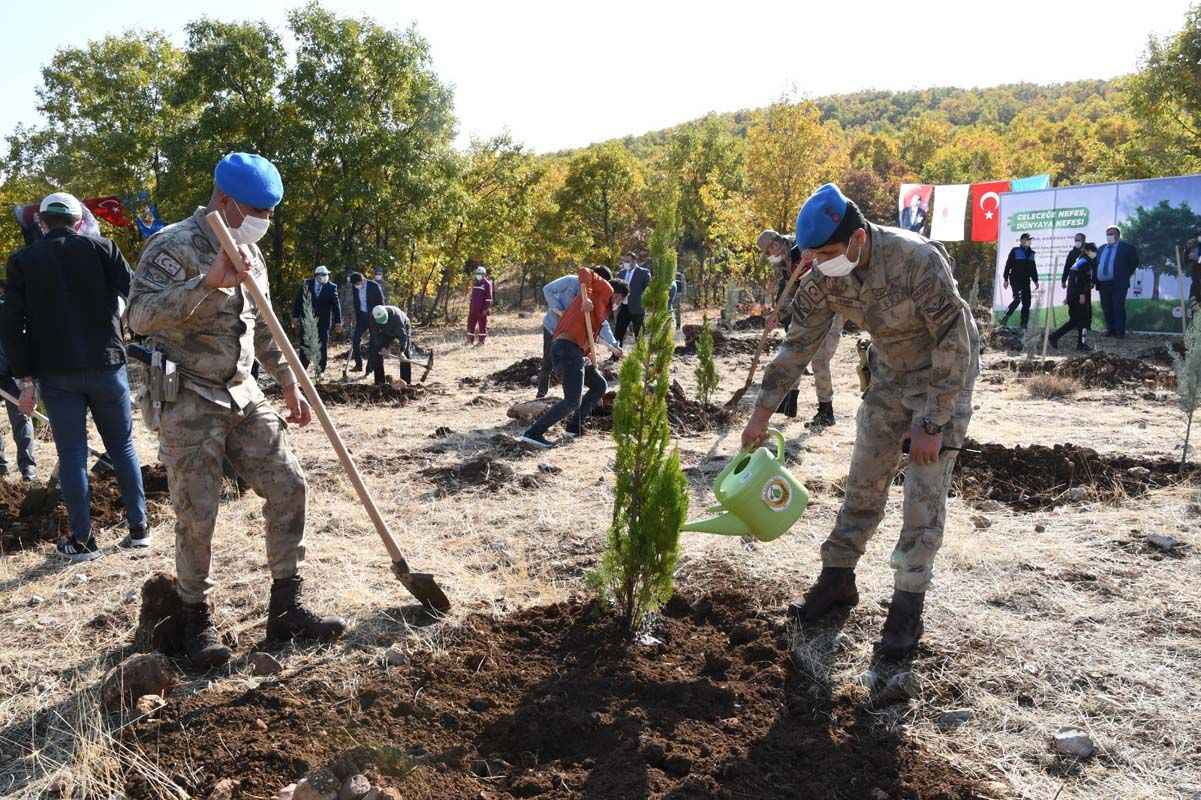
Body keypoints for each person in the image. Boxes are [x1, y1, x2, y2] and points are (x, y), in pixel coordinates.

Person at [742, 183, 978, 661]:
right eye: (813, 255)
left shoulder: (915, 259)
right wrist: (760, 416)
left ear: (857, 239)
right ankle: (836, 583)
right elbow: (796, 346)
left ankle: (906, 612)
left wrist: (932, 424)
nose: (820, 263)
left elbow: (955, 340)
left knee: (922, 498)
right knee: (863, 485)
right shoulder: (826, 274)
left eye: (827, 252)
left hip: (941, 379)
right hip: (888, 378)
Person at [128, 152, 345, 669]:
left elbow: (264, 324)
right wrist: (207, 284)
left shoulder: (252, 251)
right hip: (189, 398)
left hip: (244, 393)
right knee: (197, 510)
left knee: (290, 484)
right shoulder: (173, 246)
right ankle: (192, 618)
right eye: (256, 211)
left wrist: (289, 380)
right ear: (225, 202)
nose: (264, 223)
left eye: (269, 214)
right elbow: (138, 317)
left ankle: (287, 606)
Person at [2, 192, 147, 561]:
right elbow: (135, 296)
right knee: (124, 447)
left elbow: (13, 325)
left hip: (57, 373)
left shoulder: (22, 261)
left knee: (72, 455)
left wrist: (25, 380)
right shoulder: (105, 248)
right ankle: (139, 528)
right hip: (108, 365)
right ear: (78, 220)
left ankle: (83, 541)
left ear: (43, 222)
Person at [521, 269, 629, 448]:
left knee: (599, 385)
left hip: (575, 352)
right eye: (620, 299)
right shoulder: (603, 290)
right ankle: (533, 433)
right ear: (616, 294)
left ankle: (574, 426)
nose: (618, 304)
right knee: (572, 401)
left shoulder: (599, 312)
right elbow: (585, 271)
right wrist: (585, 298)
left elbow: (596, 333)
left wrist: (611, 347)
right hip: (566, 349)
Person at [756, 229, 842, 429]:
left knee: (819, 358)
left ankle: (826, 410)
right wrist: (776, 315)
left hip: (832, 306)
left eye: (771, 249)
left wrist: (812, 261)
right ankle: (790, 401)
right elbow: (788, 291)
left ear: (778, 242)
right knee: (795, 350)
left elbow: (828, 269)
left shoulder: (805, 246)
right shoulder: (785, 265)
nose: (771, 254)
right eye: (767, 253)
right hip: (809, 308)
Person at [536, 267, 622, 399]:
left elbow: (602, 323)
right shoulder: (570, 281)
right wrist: (559, 309)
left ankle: (570, 397)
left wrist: (614, 344)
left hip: (573, 335)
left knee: (572, 364)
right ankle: (541, 394)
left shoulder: (597, 296)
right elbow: (547, 289)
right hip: (553, 327)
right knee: (547, 361)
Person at [0, 326, 36, 480]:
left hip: (13, 374)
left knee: (21, 418)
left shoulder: (5, 308)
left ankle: (28, 468)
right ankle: (1, 467)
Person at [292, 265, 341, 373]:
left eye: (326, 275)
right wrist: (295, 317)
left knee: (322, 347)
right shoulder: (306, 284)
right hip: (307, 320)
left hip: (323, 322)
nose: (325, 276)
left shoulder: (331, 287)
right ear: (316, 275)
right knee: (305, 345)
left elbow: (336, 306)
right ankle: (302, 370)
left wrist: (338, 322)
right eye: (322, 275)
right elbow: (298, 302)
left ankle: (320, 371)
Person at [1050, 242, 1097, 351]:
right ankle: (1078, 343)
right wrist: (1081, 294)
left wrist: (1069, 296)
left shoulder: (1080, 262)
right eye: (1093, 251)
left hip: (1074, 295)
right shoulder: (1084, 262)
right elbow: (1079, 280)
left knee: (1076, 320)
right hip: (1079, 296)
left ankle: (1077, 343)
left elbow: (1073, 280)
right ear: (1087, 251)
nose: (1094, 253)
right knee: (1082, 320)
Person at [1095, 225, 1140, 338]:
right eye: (1108, 234)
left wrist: (1124, 275)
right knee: (1106, 307)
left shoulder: (1127, 248)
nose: (1109, 236)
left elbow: (1134, 263)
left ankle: (1119, 332)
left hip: (1118, 283)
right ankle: (1110, 330)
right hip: (1103, 284)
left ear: (1118, 235)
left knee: (1118, 307)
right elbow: (1097, 264)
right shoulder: (1101, 248)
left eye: (1112, 234)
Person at [347, 271, 385, 372]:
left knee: (373, 343)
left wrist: (380, 319)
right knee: (355, 340)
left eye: (357, 284)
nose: (356, 286)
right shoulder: (355, 287)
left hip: (374, 317)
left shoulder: (374, 286)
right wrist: (356, 317)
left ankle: (369, 368)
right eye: (355, 285)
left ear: (362, 280)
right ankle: (358, 365)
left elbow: (381, 303)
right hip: (362, 318)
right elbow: (356, 303)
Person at [1000, 233, 1039, 329]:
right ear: (1021, 241)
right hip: (1015, 279)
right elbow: (1008, 265)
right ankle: (1005, 316)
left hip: (1026, 281)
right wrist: (1005, 279)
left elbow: (1033, 268)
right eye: (1027, 239)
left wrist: (1035, 280)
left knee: (1027, 302)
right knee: (1017, 299)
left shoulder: (1031, 253)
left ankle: (1023, 324)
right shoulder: (1015, 251)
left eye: (1030, 240)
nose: (1029, 241)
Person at [368, 305, 413, 386]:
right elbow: (375, 335)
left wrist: (402, 351)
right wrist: (382, 348)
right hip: (385, 332)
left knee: (405, 355)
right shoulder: (372, 319)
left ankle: (406, 383)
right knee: (377, 352)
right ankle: (379, 382)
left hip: (403, 326)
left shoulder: (396, 317)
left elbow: (403, 336)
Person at [614, 254, 651, 345]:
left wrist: (646, 304)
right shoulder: (621, 273)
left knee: (639, 334)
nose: (625, 263)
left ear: (634, 261)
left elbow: (648, 290)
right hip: (624, 307)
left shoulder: (643, 273)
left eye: (628, 261)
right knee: (618, 332)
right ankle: (616, 355)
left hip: (637, 308)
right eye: (624, 261)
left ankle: (640, 355)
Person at [466, 266, 493, 346]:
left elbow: (489, 299)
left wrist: (485, 309)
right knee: (471, 325)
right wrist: (471, 307)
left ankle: (481, 342)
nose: (478, 275)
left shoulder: (487, 284)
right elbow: (472, 297)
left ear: (484, 274)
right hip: (473, 310)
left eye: (480, 274)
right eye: (477, 273)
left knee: (482, 325)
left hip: (482, 310)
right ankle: (470, 341)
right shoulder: (475, 283)